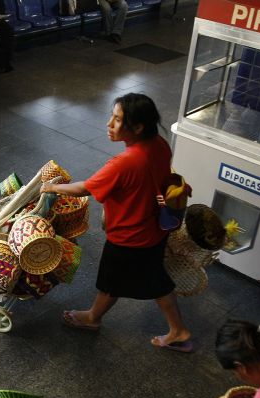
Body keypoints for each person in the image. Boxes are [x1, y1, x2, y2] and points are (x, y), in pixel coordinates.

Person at [41, 93, 193, 351]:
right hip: (155, 228)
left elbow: (85, 188)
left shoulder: (124, 163)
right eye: (112, 116)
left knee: (113, 282)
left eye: (118, 119)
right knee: (152, 280)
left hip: (130, 237)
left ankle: (93, 318)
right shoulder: (160, 144)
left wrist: (51, 187)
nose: (109, 124)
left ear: (138, 127)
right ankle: (177, 330)